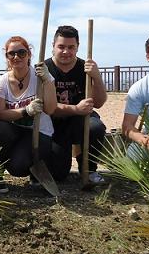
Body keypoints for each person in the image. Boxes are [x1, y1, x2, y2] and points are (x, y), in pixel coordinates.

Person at [0, 36, 66, 191]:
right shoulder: (2, 82)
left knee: (17, 168)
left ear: (29, 54)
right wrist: (25, 111)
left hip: (39, 132)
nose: (16, 57)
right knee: (0, 128)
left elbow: (51, 109)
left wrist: (47, 81)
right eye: (11, 54)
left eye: (21, 52)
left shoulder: (40, 78)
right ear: (7, 57)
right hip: (15, 131)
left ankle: (35, 169)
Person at [44, 25, 108, 186]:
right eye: (61, 47)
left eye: (71, 47)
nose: (66, 51)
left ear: (77, 47)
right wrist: (75, 108)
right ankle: (63, 156)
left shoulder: (84, 68)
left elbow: (99, 103)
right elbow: (47, 107)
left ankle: (89, 168)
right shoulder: (44, 69)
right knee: (59, 174)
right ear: (53, 46)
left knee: (96, 127)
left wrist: (97, 77)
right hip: (54, 121)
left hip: (82, 118)